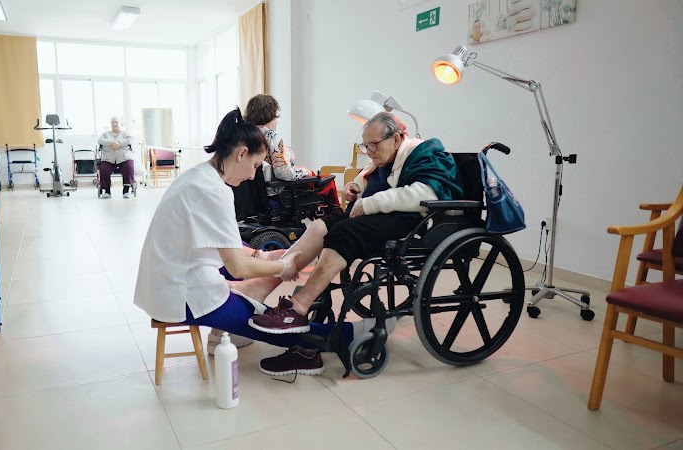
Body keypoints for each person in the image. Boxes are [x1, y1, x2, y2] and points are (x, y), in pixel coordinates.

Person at [133, 109, 388, 377]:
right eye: (256, 166)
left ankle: (250, 292)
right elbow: (239, 266)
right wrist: (283, 267)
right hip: (178, 294)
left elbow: (219, 242)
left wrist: (261, 255)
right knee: (268, 323)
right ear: (242, 153)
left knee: (260, 279)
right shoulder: (213, 191)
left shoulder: (198, 175)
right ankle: (349, 333)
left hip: (169, 275)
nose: (254, 176)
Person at [243, 112, 463, 337]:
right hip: (377, 216)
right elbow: (367, 178)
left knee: (343, 233)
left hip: (409, 222)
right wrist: (354, 187)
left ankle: (298, 307)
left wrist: (370, 203)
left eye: (373, 145)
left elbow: (427, 193)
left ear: (396, 139)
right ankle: (263, 286)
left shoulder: (424, 153)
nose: (369, 152)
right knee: (319, 226)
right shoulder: (383, 156)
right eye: (365, 146)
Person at [244, 94, 341, 209]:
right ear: (272, 115)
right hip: (278, 192)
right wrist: (304, 172)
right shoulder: (271, 136)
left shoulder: (247, 135)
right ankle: (335, 216)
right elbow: (283, 173)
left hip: (256, 194)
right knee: (328, 181)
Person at [97, 116, 136, 199]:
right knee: (103, 169)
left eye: (116, 122)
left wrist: (119, 143)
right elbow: (100, 140)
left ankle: (126, 190)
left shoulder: (125, 133)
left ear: (120, 123)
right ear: (110, 124)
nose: (114, 124)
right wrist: (111, 143)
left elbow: (131, 140)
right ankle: (107, 191)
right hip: (109, 158)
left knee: (129, 167)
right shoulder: (106, 134)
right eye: (112, 122)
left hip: (123, 158)